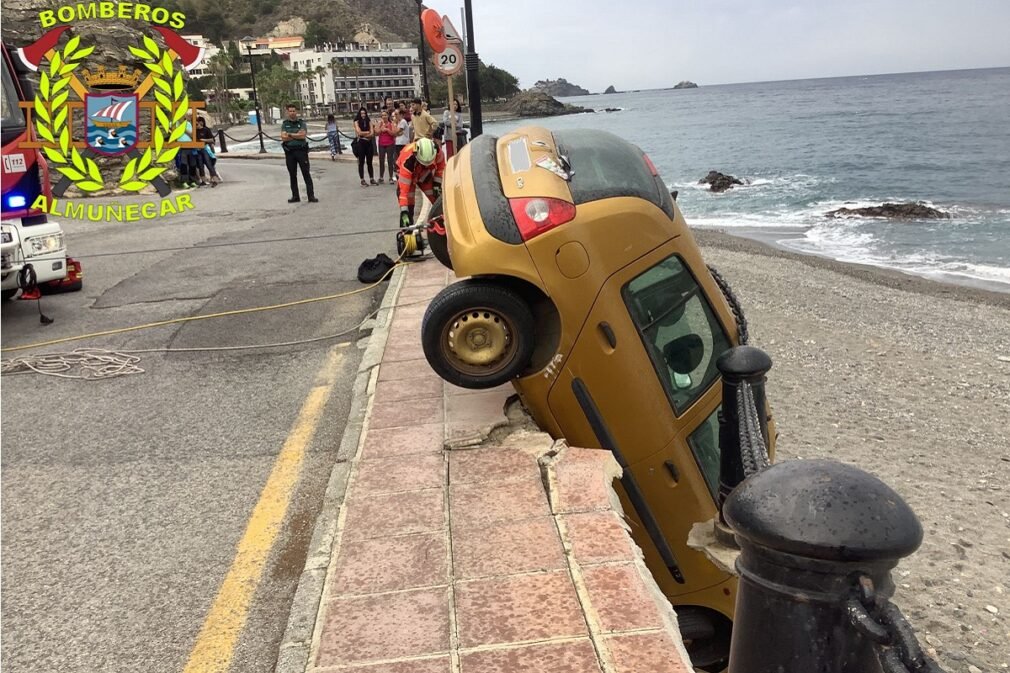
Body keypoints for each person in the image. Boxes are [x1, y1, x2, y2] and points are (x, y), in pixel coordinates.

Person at [396, 137, 445, 228]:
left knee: (437, 199)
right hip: (408, 173)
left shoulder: (437, 151)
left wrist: (437, 184)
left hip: (424, 172)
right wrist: (404, 211)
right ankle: (408, 229)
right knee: (409, 203)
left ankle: (442, 223)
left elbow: (441, 168)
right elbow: (403, 192)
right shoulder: (408, 162)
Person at [280, 103, 317, 203]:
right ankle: (295, 196)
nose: (292, 113)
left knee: (306, 173)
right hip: (290, 152)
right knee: (292, 174)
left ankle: (311, 196)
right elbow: (283, 137)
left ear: (296, 112)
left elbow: (303, 135)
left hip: (301, 151)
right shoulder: (285, 124)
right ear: (287, 112)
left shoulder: (301, 123)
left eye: (294, 111)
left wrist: (290, 135)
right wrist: (296, 134)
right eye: (290, 111)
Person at [353, 106, 376, 186]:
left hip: (368, 143)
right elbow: (359, 132)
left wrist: (365, 133)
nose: (363, 115)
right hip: (361, 144)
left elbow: (372, 133)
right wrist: (367, 132)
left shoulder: (368, 121)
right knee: (361, 162)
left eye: (364, 113)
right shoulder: (356, 121)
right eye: (362, 113)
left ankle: (371, 178)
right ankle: (362, 179)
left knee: (369, 162)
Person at [194, 116, 220, 186]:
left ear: (200, 123)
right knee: (200, 165)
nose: (196, 126)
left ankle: (215, 180)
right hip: (197, 150)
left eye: (197, 124)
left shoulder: (206, 130)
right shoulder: (194, 132)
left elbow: (212, 140)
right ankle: (203, 181)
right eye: (194, 125)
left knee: (209, 164)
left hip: (205, 148)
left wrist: (203, 140)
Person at [376, 110, 399, 184]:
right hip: (381, 144)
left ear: (388, 116)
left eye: (385, 115)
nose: (384, 117)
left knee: (390, 160)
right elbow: (376, 132)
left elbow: (394, 134)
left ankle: (390, 177)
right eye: (382, 115)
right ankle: (381, 177)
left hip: (390, 144)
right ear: (381, 117)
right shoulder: (379, 123)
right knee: (381, 160)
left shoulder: (391, 124)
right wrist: (381, 129)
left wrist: (387, 130)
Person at [392, 109, 410, 184]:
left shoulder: (402, 121)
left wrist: (395, 125)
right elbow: (394, 133)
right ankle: (398, 175)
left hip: (403, 143)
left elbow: (396, 131)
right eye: (394, 115)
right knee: (397, 160)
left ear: (401, 114)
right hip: (397, 143)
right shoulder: (398, 122)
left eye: (396, 114)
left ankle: (404, 175)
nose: (395, 116)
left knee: (402, 160)